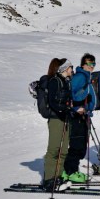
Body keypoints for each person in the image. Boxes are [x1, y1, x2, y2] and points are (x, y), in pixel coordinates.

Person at [64, 53, 98, 183]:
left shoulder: (86, 76)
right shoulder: (80, 77)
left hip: (84, 115)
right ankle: (69, 171)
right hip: (77, 115)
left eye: (93, 64)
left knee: (82, 146)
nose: (92, 66)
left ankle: (71, 170)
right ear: (83, 64)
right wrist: (78, 106)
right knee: (77, 145)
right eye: (89, 64)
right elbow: (72, 95)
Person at [42, 57, 74, 191]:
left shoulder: (66, 81)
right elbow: (52, 102)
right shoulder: (55, 81)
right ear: (65, 69)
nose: (72, 69)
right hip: (56, 119)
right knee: (54, 149)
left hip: (65, 118)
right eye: (71, 67)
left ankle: (58, 176)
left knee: (64, 150)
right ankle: (49, 179)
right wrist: (64, 108)